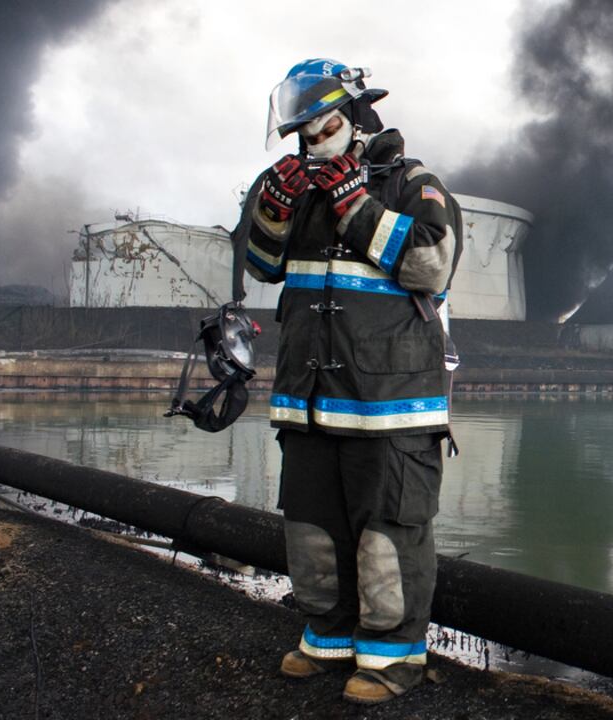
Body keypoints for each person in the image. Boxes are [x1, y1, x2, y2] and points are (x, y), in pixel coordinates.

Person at [241, 58, 462, 705]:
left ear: (360, 118)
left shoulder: (413, 184)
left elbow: (431, 267)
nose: (313, 143)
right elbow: (261, 266)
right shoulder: (296, 188)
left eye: (324, 127)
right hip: (310, 403)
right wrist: (276, 208)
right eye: (303, 134)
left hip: (390, 408)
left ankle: (392, 662)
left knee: (387, 539)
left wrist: (355, 206)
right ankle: (327, 639)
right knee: (311, 532)